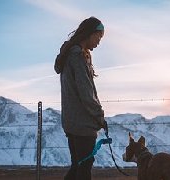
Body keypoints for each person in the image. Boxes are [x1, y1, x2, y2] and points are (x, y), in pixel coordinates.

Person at [54, 16, 107, 180]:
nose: (99, 41)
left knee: (78, 166)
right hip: (83, 124)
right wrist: (99, 116)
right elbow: (86, 94)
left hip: (72, 122)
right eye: (99, 36)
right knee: (84, 169)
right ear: (90, 33)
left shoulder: (70, 55)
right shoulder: (77, 57)